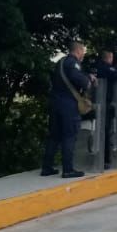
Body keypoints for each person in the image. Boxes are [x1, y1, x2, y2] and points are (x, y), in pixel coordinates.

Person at [41, 41, 93, 178]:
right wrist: (88, 80)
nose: (83, 55)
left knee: (54, 136)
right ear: (78, 51)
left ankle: (46, 167)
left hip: (55, 104)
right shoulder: (73, 63)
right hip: (68, 106)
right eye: (83, 52)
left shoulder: (60, 62)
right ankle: (68, 170)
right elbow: (80, 80)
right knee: (69, 136)